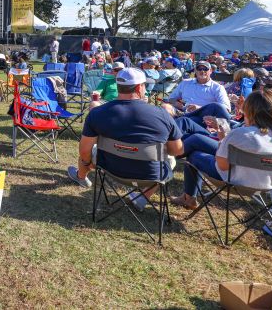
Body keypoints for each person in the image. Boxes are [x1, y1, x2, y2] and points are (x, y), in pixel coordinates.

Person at [67, 68, 184, 211]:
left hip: (109, 169)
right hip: (150, 174)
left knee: (88, 152)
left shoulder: (97, 113)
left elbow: (84, 150)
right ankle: (143, 197)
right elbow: (177, 150)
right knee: (170, 160)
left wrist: (87, 163)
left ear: (118, 86)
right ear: (139, 87)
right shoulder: (162, 114)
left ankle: (81, 176)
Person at [170, 90, 272, 210]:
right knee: (197, 140)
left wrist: (223, 140)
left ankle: (188, 196)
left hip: (238, 182)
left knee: (194, 154)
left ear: (251, 111)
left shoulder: (241, 134)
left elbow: (222, 166)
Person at [164, 60, 231, 122]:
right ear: (195, 71)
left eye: (205, 69)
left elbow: (225, 108)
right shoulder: (185, 83)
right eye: (199, 69)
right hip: (184, 112)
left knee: (184, 120)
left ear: (210, 71)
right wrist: (176, 103)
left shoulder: (217, 87)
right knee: (164, 108)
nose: (202, 71)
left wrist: (200, 108)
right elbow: (171, 98)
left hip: (203, 117)